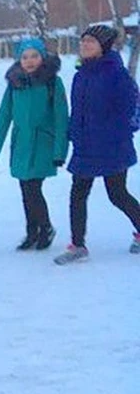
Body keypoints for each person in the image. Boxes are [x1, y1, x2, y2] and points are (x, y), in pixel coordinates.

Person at [54, 25, 140, 264]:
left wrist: (119, 133)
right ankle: (78, 244)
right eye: (82, 42)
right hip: (85, 146)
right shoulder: (81, 75)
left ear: (103, 46)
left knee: (117, 194)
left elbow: (133, 107)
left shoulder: (116, 74)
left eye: (90, 42)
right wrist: (73, 131)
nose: (84, 46)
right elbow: (78, 110)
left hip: (112, 146)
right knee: (78, 192)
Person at [0, 38, 69, 251]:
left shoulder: (52, 82)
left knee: (32, 187)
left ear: (42, 57)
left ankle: (46, 227)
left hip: (43, 144)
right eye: (25, 57)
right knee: (25, 188)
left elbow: (61, 118)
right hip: (21, 144)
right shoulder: (15, 84)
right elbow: (3, 117)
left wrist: (60, 150)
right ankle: (33, 232)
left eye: (34, 56)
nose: (30, 61)